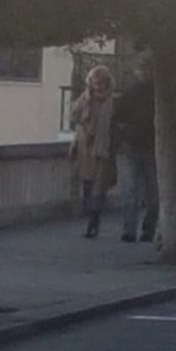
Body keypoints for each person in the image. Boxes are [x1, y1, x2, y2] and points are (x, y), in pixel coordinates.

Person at [69, 65, 117, 240]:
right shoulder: (84, 99)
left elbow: (116, 125)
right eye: (94, 83)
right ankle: (92, 214)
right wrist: (83, 130)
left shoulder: (112, 101)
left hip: (103, 149)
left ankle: (94, 220)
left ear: (107, 83)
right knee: (87, 185)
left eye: (100, 83)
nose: (97, 86)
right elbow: (73, 119)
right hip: (85, 149)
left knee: (99, 186)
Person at [112, 68, 158, 243]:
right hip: (132, 148)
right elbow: (116, 119)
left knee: (153, 195)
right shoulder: (130, 94)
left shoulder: (159, 94)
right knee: (131, 191)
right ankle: (130, 230)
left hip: (152, 149)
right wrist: (122, 140)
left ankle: (148, 229)